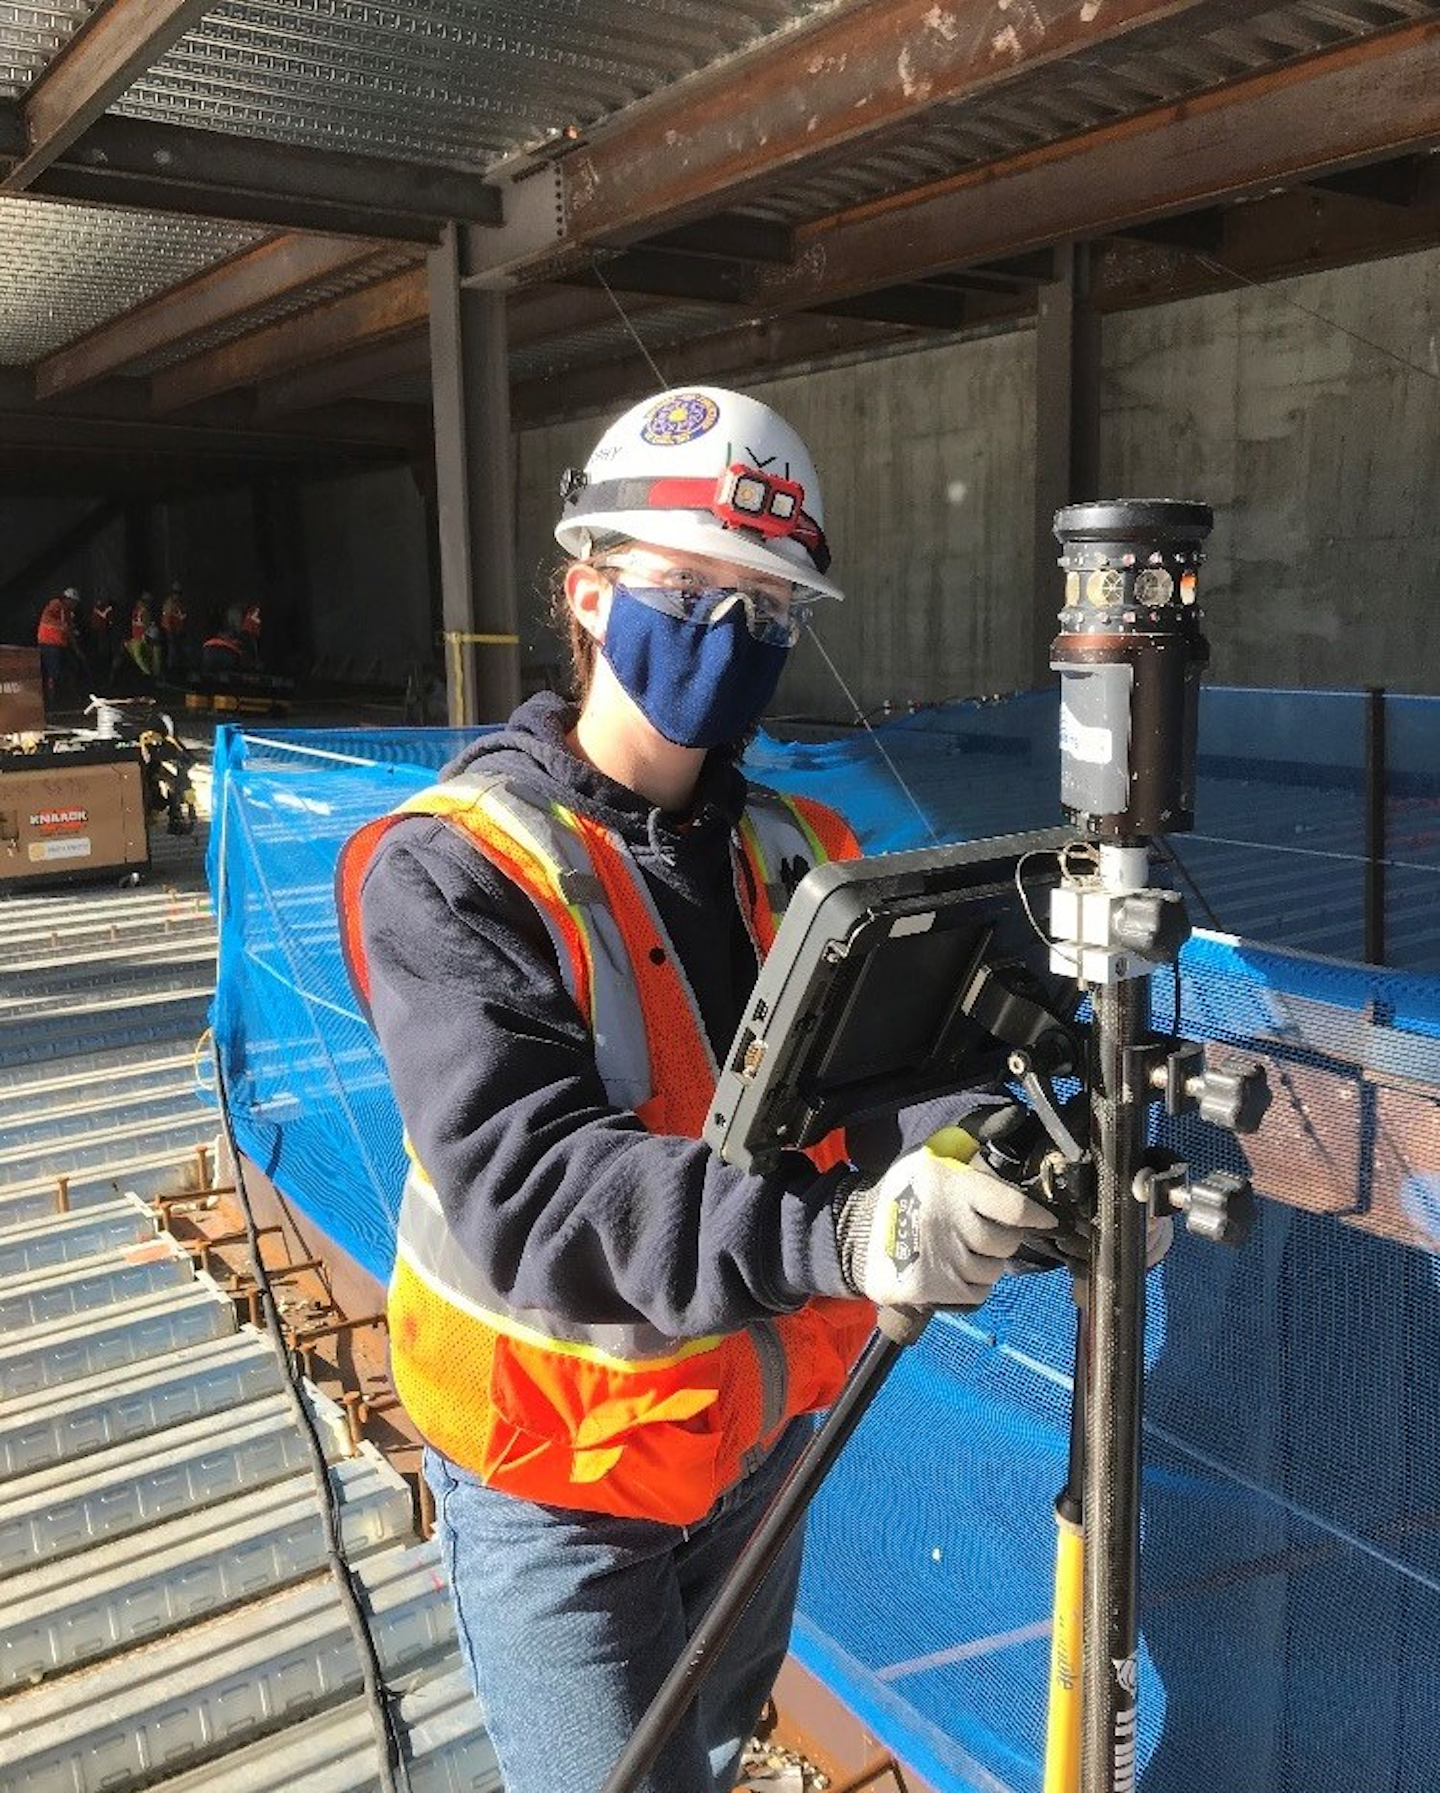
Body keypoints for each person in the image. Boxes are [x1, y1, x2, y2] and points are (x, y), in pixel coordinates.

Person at [336, 386, 1062, 1793]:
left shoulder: (804, 850)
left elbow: (900, 1082)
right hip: (562, 1490)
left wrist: (1011, 1146)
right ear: (590, 593)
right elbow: (536, 1192)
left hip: (755, 1448)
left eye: (769, 608)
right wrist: (849, 1237)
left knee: (715, 1757)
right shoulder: (456, 869)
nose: (733, 635)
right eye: (690, 591)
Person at [36, 586, 81, 707]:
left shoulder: (68, 613)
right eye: (74, 602)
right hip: (49, 644)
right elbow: (46, 618)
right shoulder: (55, 605)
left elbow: (70, 632)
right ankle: (52, 701)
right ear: (68, 600)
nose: (75, 605)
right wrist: (62, 625)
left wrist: (77, 650)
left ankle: (68, 695)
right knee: (53, 673)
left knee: (71, 667)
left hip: (60, 645)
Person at [160, 582, 188, 682]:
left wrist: (182, 629)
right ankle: (170, 672)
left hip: (177, 631)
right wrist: (171, 632)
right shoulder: (170, 603)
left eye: (179, 593)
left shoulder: (179, 603)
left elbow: (182, 617)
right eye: (177, 593)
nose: (178, 595)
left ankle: (177, 671)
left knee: (178, 651)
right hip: (170, 631)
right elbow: (167, 619)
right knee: (172, 651)